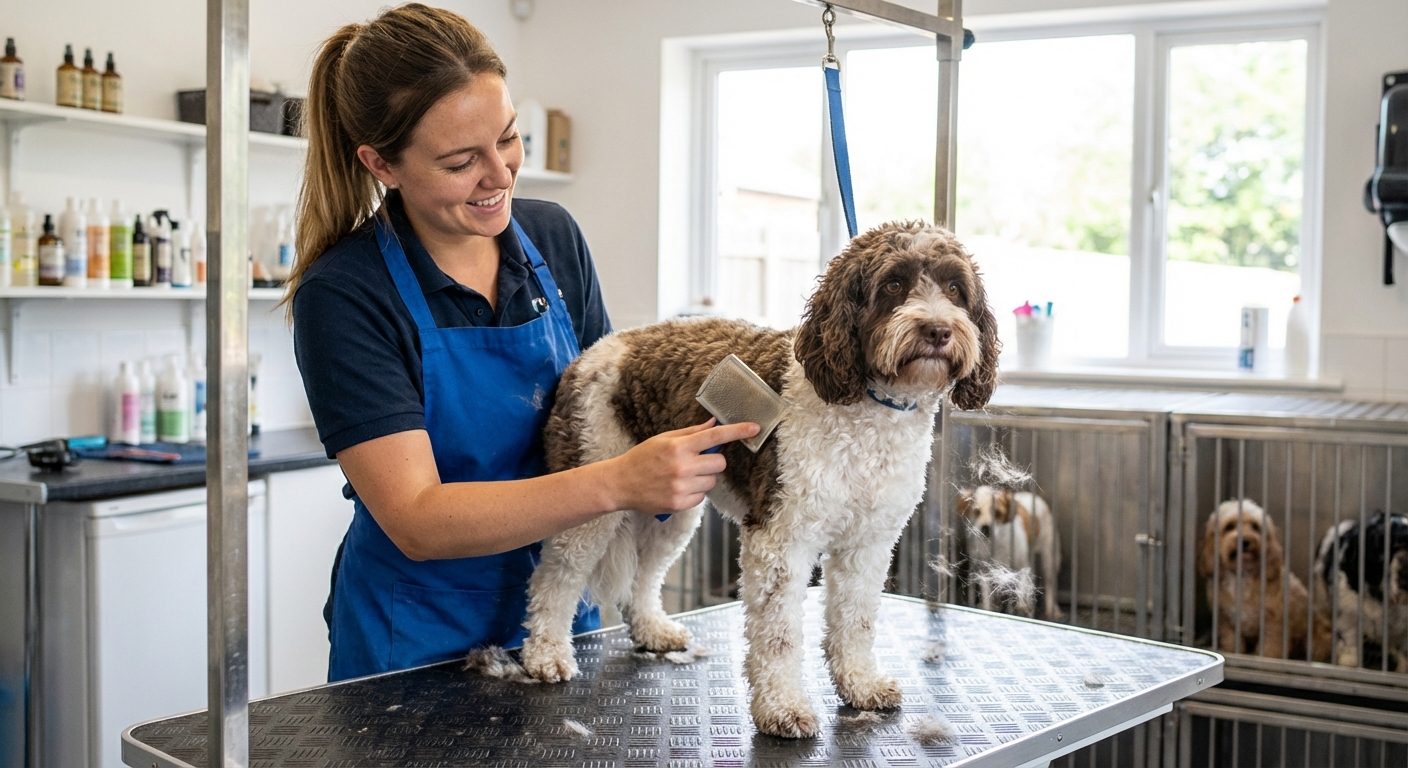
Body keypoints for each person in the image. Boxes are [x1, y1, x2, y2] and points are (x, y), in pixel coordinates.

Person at [288, 3, 757, 682]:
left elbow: (619, 397)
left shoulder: (553, 238)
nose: (501, 174)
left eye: (508, 139)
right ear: (381, 164)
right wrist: (622, 480)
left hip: (564, 617)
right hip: (414, 643)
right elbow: (417, 518)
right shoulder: (345, 293)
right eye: (460, 161)